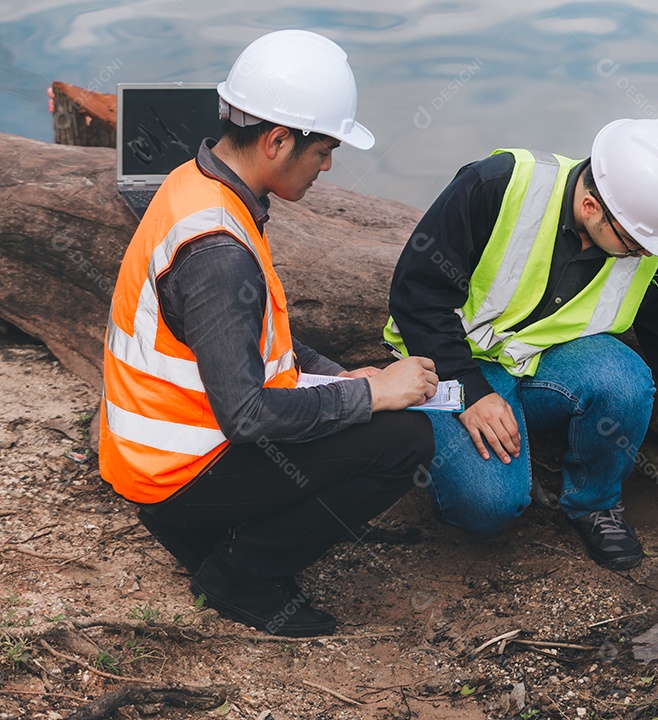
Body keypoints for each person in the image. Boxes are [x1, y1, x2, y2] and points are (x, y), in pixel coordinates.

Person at [99, 30, 439, 637]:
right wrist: (371, 395)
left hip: (154, 459)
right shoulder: (219, 253)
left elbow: (253, 335)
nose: (327, 166)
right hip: (177, 476)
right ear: (278, 140)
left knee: (373, 414)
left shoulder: (197, 183)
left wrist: (338, 376)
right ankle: (240, 575)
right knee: (406, 440)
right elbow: (247, 417)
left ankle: (224, 534)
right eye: (323, 150)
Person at [384, 118, 658, 570]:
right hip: (447, 366)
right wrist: (471, 391)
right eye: (634, 244)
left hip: (537, 363)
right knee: (488, 506)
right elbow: (416, 294)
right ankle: (436, 440)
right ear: (590, 206)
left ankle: (593, 503)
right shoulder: (497, 185)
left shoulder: (649, 247)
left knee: (626, 380)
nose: (645, 255)